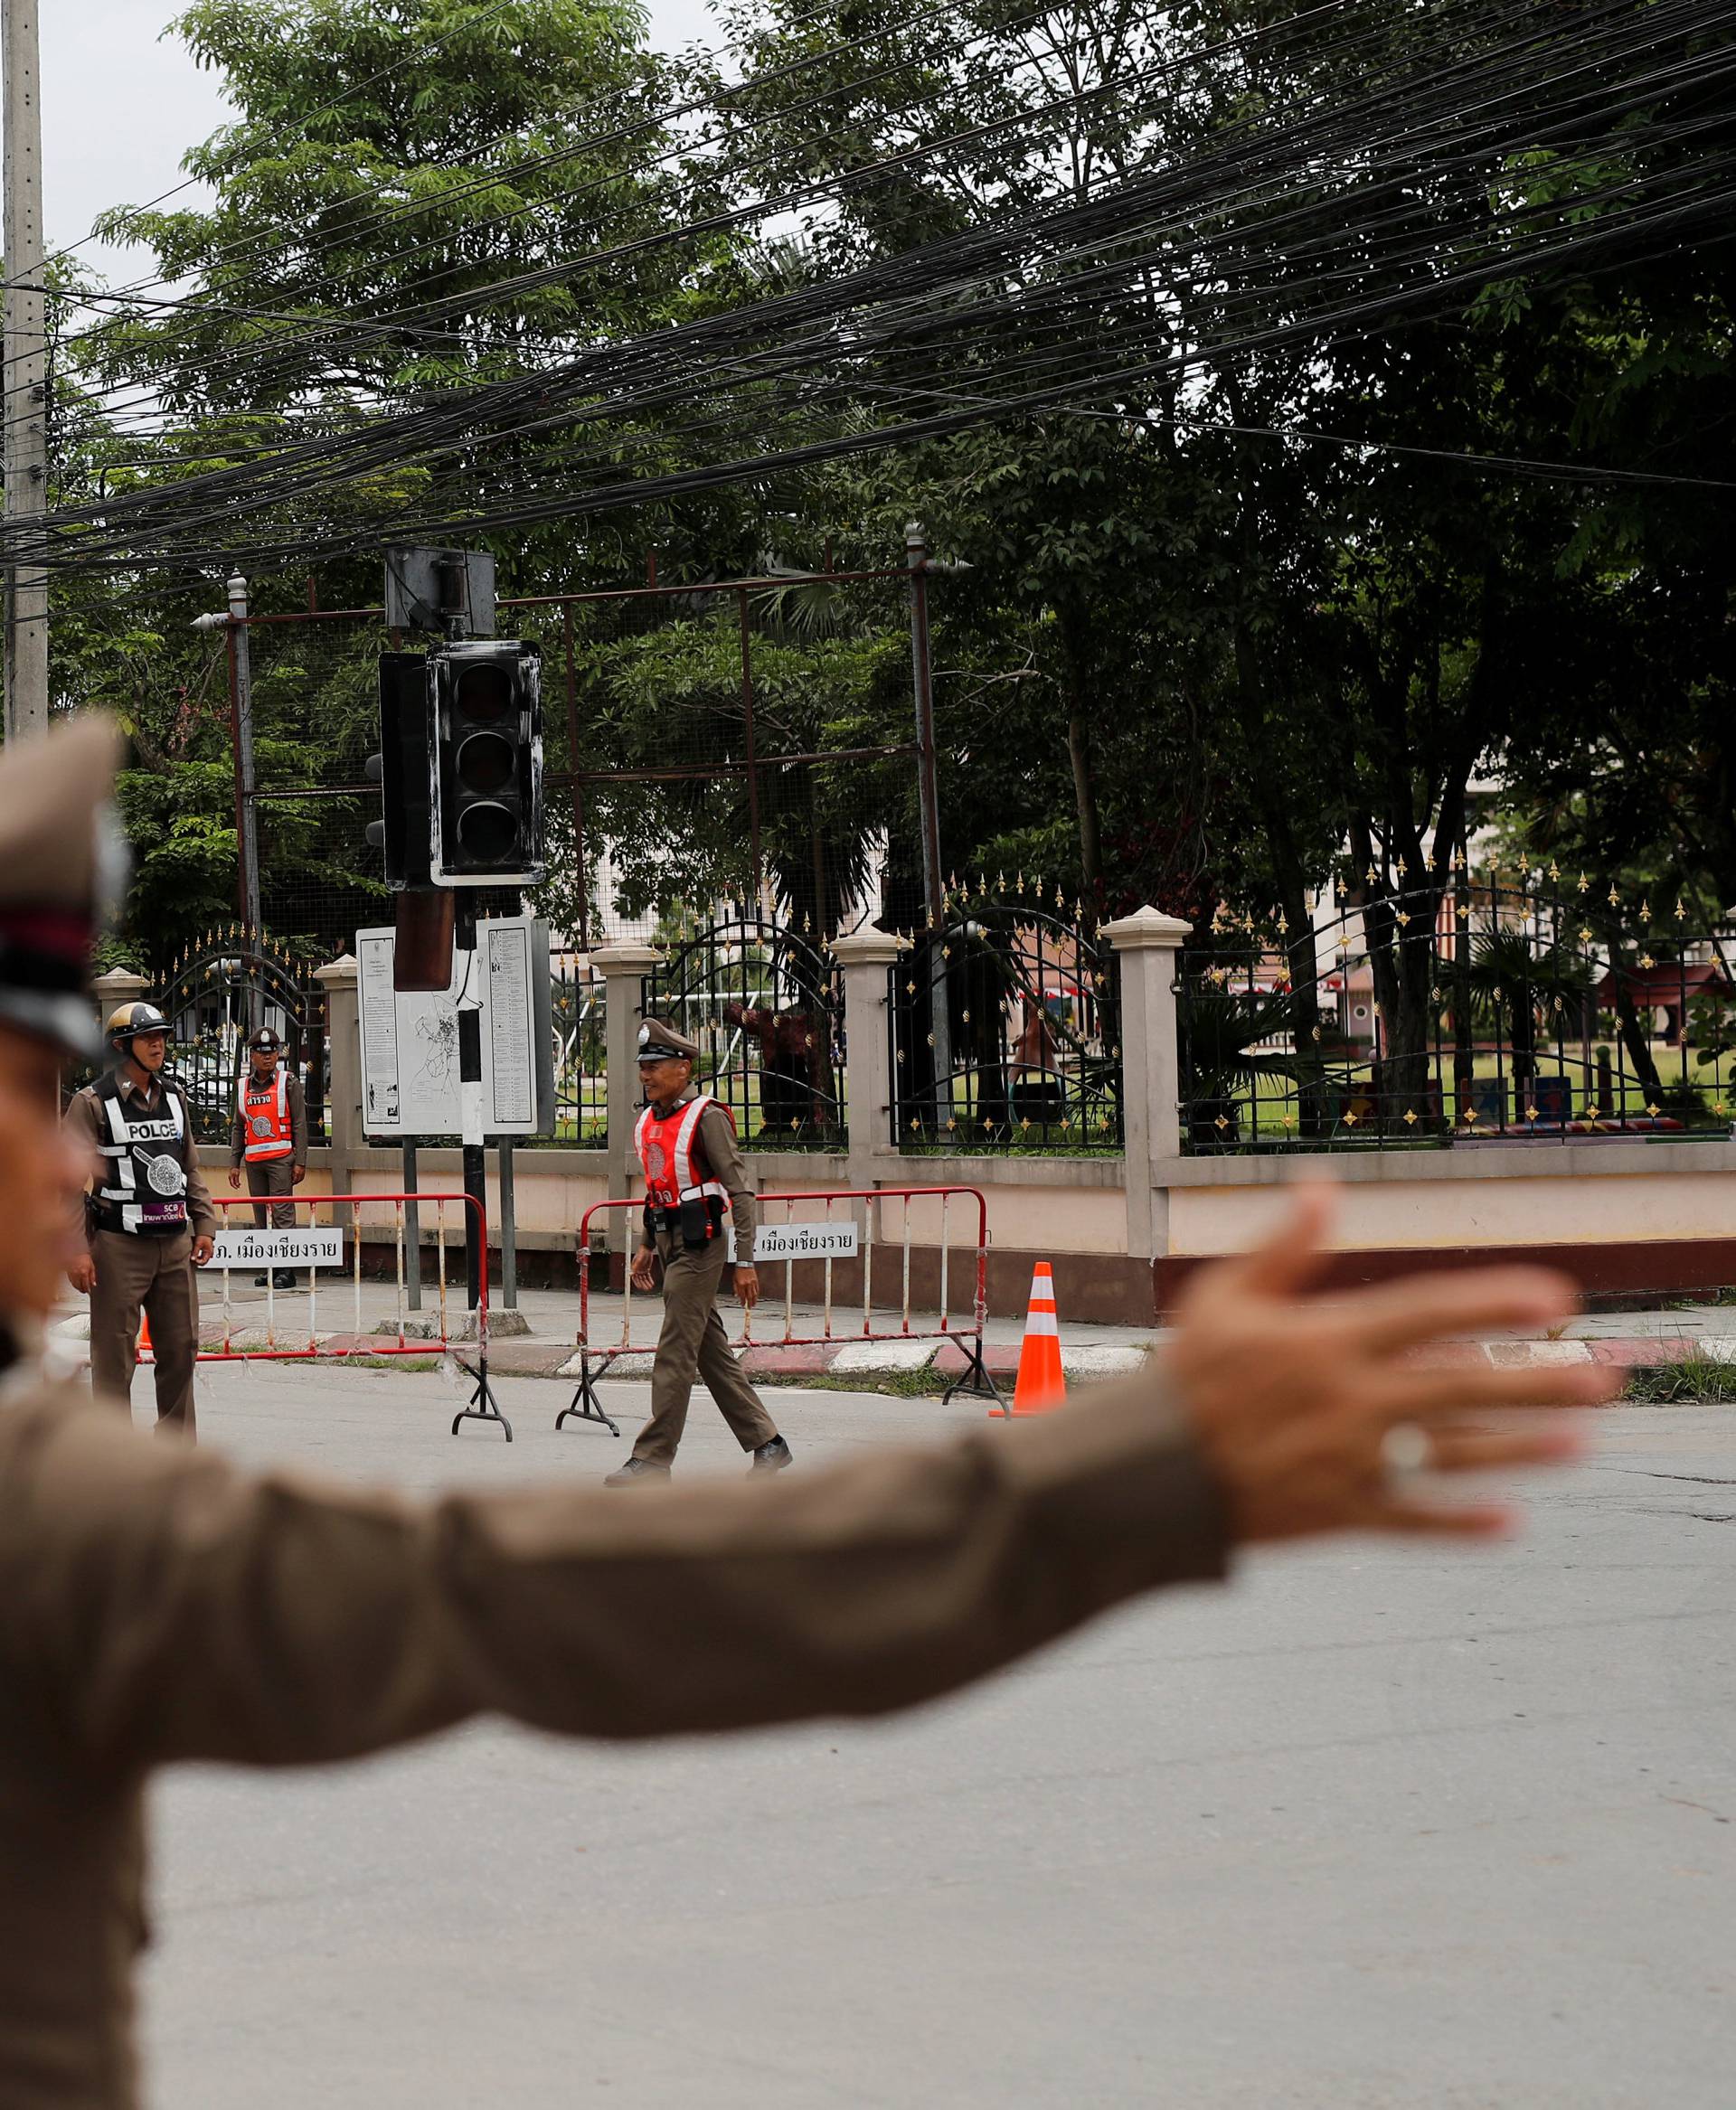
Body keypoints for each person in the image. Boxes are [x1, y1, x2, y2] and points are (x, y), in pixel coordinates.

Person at [0, 719, 1609, 2109]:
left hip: (697, 1255)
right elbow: (514, 1605)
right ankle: (726, 1437)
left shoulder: (681, 1117)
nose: (79, 1150)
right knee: (676, 1371)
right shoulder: (45, 1518)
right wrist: (1145, 1477)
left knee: (687, 1362)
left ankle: (732, 1432)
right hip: (679, 1264)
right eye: (31, 1095)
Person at [604, 1017, 794, 1485]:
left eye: (656, 1065)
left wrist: (745, 1261)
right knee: (709, 1352)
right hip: (668, 1243)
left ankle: (652, 1460)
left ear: (684, 1068)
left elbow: (741, 1192)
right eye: (643, 1066)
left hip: (701, 1246)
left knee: (674, 1351)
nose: (646, 1074)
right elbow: (658, 1188)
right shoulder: (647, 1120)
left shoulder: (706, 1116)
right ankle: (769, 1444)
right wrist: (647, 1245)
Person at [63, 979, 216, 1441]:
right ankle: (114, 1463)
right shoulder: (92, 1104)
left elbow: (189, 1165)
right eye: (148, 1038)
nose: (159, 1044)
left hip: (174, 1244)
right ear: (120, 1046)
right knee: (113, 1358)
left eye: (163, 1037)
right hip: (117, 1246)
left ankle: (175, 1459)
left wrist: (204, 1223)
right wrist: (76, 1250)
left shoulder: (174, 1097)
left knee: (181, 1349)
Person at [227, 1024, 307, 1289]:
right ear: (252, 1055)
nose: (268, 1057)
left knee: (282, 1215)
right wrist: (234, 1163)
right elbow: (239, 1127)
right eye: (262, 1053)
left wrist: (301, 1161)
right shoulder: (242, 1087)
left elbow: (300, 1124)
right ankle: (270, 1269)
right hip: (253, 1162)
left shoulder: (289, 1082)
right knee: (262, 1216)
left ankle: (287, 1271)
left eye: (272, 1051)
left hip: (281, 1159)